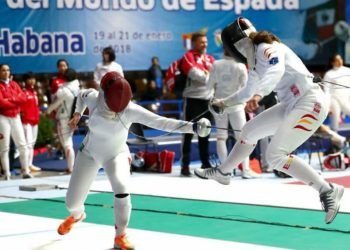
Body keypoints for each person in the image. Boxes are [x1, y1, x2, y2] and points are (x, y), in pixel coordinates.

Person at [195, 17, 344, 224]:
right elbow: (246, 91)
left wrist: (259, 96)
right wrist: (224, 103)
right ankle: (223, 172)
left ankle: (327, 190)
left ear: (238, 43)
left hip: (310, 102)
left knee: (275, 156)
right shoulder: (255, 62)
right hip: (292, 103)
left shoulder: (266, 47)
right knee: (249, 131)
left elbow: (276, 71)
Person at [56, 72, 211, 250]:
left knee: (121, 187)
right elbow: (81, 96)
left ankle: (120, 236)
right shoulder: (93, 97)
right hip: (89, 153)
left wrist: (193, 127)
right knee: (72, 203)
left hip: (116, 154)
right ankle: (77, 216)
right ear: (104, 94)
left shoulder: (130, 109)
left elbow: (162, 122)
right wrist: (77, 113)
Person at [208, 49, 259, 179]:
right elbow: (246, 88)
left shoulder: (216, 64)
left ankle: (225, 171)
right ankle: (246, 170)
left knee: (221, 137)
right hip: (236, 105)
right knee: (242, 137)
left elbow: (209, 85)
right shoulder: (241, 66)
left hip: (219, 104)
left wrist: (212, 100)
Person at [180, 32, 215, 176]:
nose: (205, 45)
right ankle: (185, 165)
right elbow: (196, 75)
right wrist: (209, 76)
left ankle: (205, 163)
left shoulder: (210, 58)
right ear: (194, 43)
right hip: (193, 100)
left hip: (208, 101)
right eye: (201, 42)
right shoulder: (188, 57)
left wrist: (208, 75)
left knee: (205, 134)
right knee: (188, 132)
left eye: (206, 42)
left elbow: (215, 77)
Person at [0, 64, 32, 180]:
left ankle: (26, 171)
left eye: (8, 70)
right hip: (3, 118)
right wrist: (15, 101)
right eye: (3, 70)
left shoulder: (14, 84)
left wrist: (10, 99)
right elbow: (1, 103)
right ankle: (7, 174)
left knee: (22, 145)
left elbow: (23, 99)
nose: (6, 72)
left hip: (16, 117)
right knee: (4, 147)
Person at [47, 68, 80, 173]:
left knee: (67, 144)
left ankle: (71, 168)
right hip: (74, 118)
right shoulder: (78, 87)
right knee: (69, 142)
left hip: (64, 119)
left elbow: (55, 104)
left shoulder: (64, 90)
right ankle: (71, 167)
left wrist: (47, 111)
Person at [323, 54, 350, 131]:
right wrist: (328, 107)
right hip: (334, 99)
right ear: (332, 62)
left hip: (346, 99)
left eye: (340, 59)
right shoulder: (329, 74)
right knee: (335, 122)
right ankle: (335, 141)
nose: (340, 61)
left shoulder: (348, 70)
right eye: (337, 60)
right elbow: (326, 91)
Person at [21, 72, 41, 172]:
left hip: (35, 121)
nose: (32, 80)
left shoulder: (35, 92)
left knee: (32, 144)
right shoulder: (23, 92)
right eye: (29, 79)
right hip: (26, 122)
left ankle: (30, 164)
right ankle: (25, 166)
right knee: (27, 144)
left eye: (33, 78)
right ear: (25, 81)